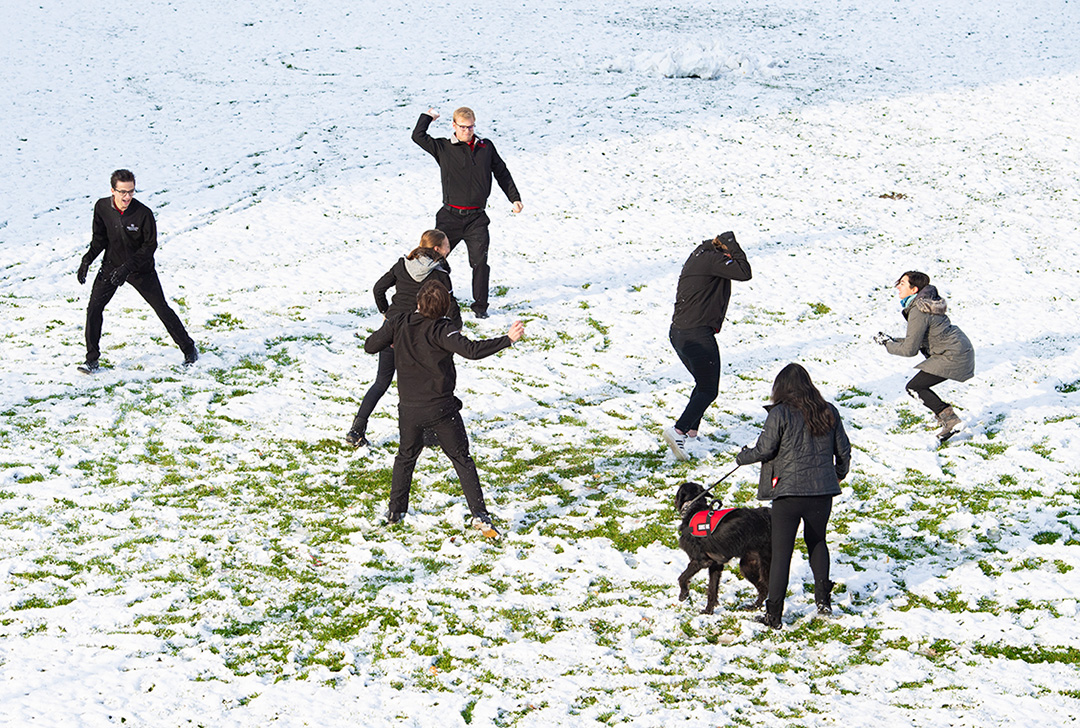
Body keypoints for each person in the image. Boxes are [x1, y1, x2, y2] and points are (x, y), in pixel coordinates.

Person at [364, 279, 524, 539]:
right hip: (442, 410)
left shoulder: (399, 323)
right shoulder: (443, 330)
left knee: (405, 458)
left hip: (409, 410)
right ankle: (479, 515)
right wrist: (507, 339)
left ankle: (395, 511)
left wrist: (391, 340)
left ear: (418, 302)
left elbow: (370, 345)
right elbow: (471, 351)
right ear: (445, 307)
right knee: (461, 459)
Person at [735, 363, 851, 629]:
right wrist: (838, 474)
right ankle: (823, 602)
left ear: (781, 388)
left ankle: (773, 615)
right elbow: (843, 450)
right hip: (822, 492)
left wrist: (743, 457)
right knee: (817, 541)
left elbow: (765, 450)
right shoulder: (829, 411)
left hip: (788, 493)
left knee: (781, 553)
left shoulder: (780, 413)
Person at [346, 230, 462, 448]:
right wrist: (454, 333)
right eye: (447, 245)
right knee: (424, 384)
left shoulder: (402, 265)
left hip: (392, 331)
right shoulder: (439, 275)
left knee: (381, 382)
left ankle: (356, 429)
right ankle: (428, 434)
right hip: (420, 337)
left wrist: (386, 313)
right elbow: (452, 307)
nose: (449, 248)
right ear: (437, 249)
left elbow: (378, 288)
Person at [76, 169, 197, 373]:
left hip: (141, 270)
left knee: (161, 308)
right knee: (94, 309)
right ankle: (91, 360)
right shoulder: (102, 207)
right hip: (111, 266)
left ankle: (188, 348)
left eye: (131, 191)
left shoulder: (143, 214)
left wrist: (128, 268)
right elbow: (100, 239)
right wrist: (87, 260)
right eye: (123, 192)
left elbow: (149, 247)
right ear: (112, 190)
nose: (127, 197)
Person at [412, 106, 523, 319]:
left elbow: (501, 171)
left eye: (471, 127)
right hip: (449, 217)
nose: (467, 131)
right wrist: (428, 117)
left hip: (477, 219)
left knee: (480, 262)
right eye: (463, 127)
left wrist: (514, 197)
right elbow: (417, 136)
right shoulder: (443, 147)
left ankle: (480, 308)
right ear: (454, 126)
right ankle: (420, 300)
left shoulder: (486, 147)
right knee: (433, 259)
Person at [663, 231, 752, 460]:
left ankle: (691, 433)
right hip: (697, 334)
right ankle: (679, 431)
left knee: (702, 384)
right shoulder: (713, 259)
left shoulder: (700, 255)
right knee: (708, 389)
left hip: (679, 333)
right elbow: (744, 273)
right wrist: (733, 247)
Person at [874, 271, 974, 442]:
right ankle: (945, 417)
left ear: (914, 289)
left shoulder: (919, 311)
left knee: (915, 387)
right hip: (955, 350)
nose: (898, 286)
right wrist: (893, 340)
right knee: (918, 386)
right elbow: (917, 339)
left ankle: (951, 420)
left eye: (903, 283)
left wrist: (887, 345)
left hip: (952, 355)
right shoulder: (922, 305)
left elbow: (909, 350)